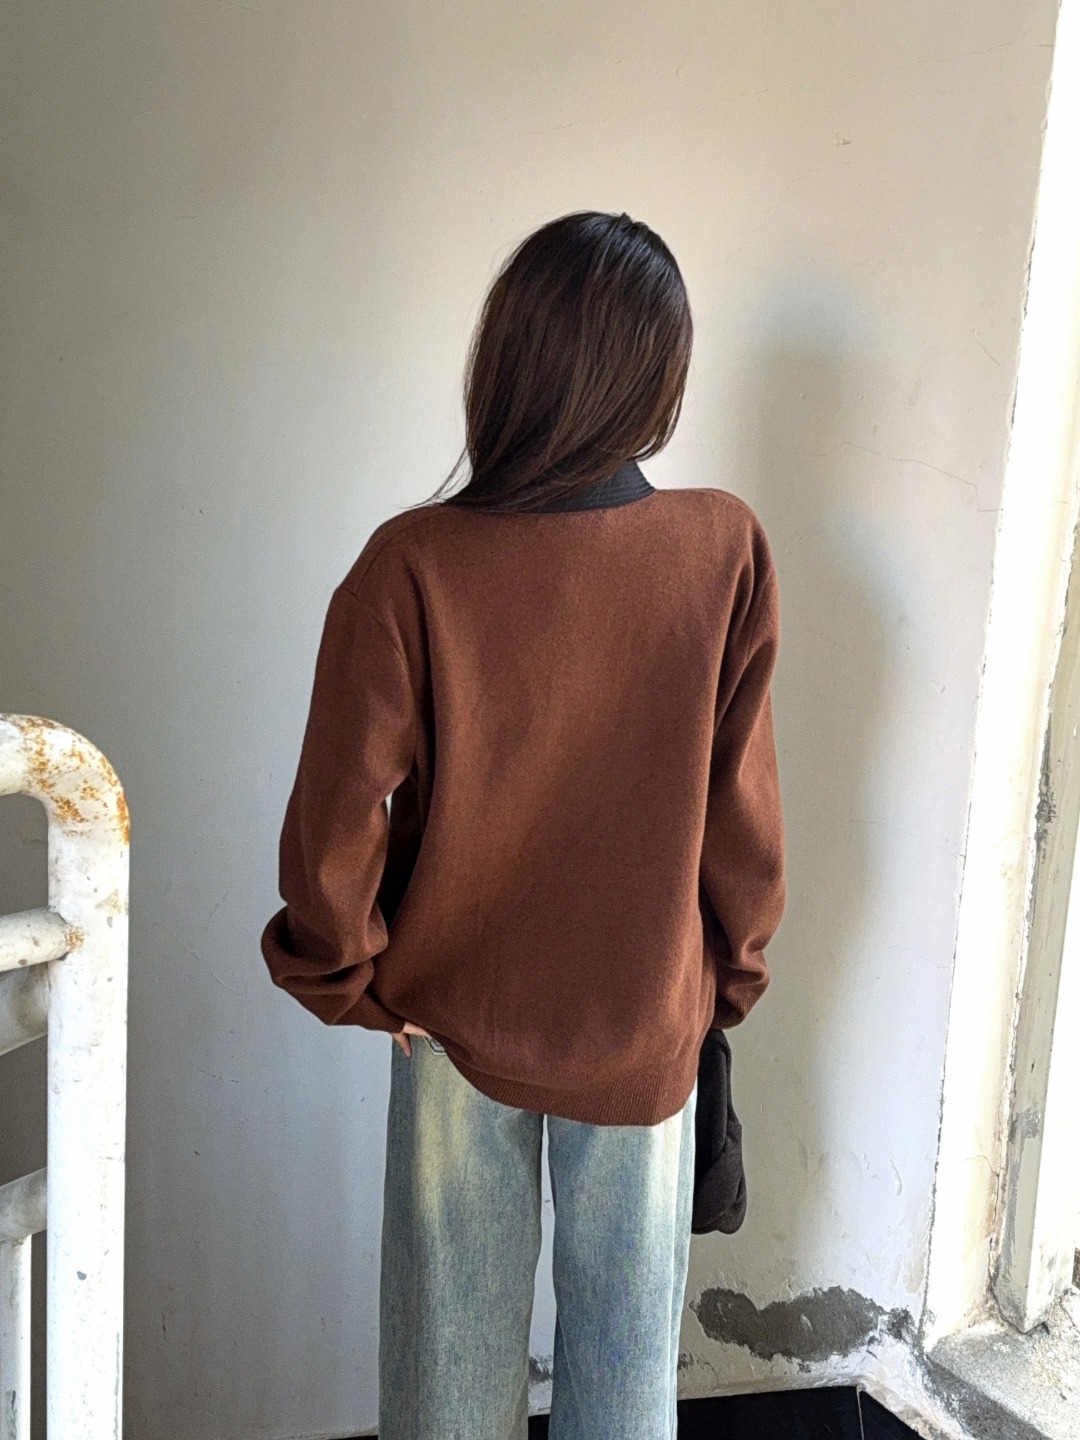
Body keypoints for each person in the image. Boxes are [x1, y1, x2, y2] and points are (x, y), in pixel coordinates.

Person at [261, 210, 786, 1440]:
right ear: (656, 376)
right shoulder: (721, 549)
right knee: (627, 1377)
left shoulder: (412, 563)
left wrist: (349, 975)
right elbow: (743, 817)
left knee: (447, 1374)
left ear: (506, 360)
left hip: (453, 1019)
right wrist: (724, 981)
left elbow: (336, 815)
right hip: (645, 1017)